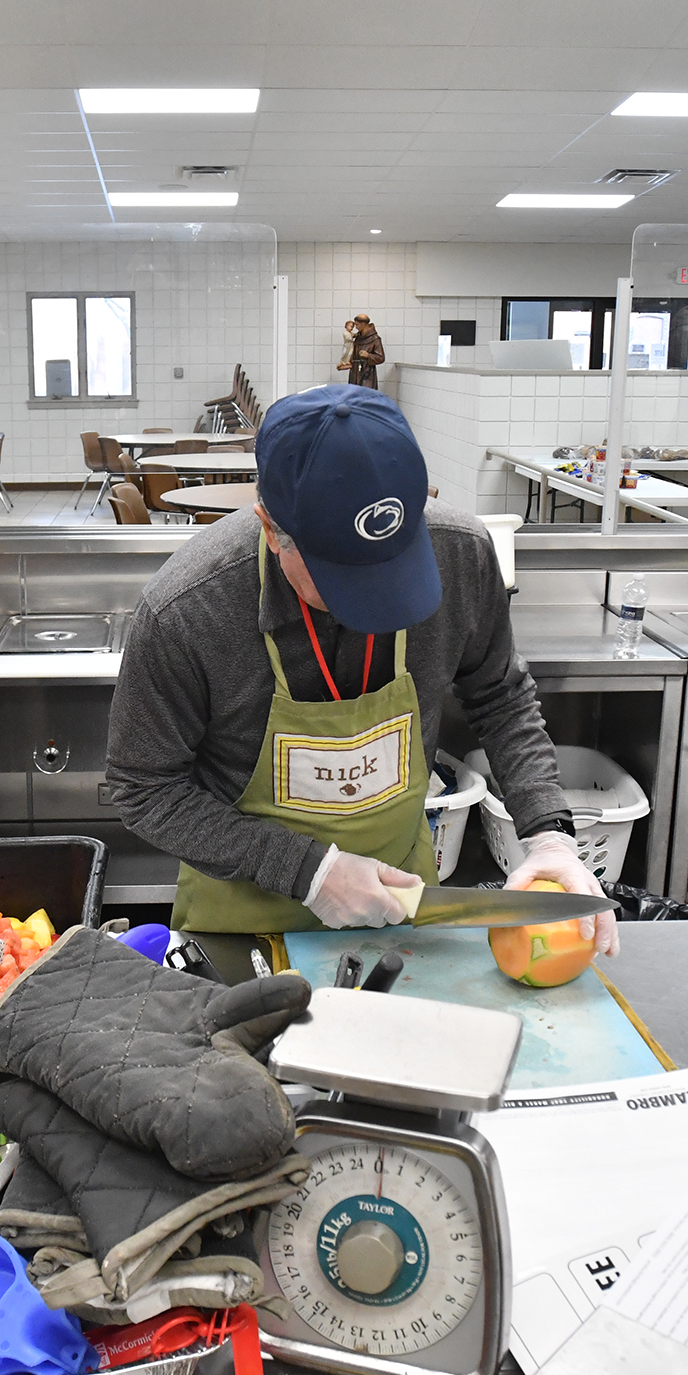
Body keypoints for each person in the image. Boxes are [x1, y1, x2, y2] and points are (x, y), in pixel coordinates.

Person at [107, 384, 617, 951]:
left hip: (399, 899)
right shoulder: (188, 609)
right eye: (343, 577)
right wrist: (310, 872)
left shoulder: (462, 554)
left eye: (394, 567)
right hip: (244, 916)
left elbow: (499, 695)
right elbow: (143, 787)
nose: (376, 600)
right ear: (272, 528)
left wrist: (549, 835)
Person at [340, 314, 384, 391]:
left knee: (366, 396)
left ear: (363, 324)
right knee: (353, 395)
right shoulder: (358, 337)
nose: (355, 327)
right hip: (354, 372)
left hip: (367, 373)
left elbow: (381, 358)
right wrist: (345, 362)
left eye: (357, 325)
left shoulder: (375, 339)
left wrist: (368, 356)